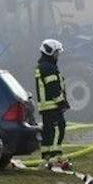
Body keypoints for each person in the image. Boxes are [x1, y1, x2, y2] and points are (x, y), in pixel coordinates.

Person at [34, 37, 71, 169]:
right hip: (52, 105)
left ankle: (46, 158)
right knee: (58, 128)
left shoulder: (43, 66)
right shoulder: (49, 68)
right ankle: (55, 157)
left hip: (46, 106)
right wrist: (62, 103)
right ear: (50, 52)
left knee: (48, 131)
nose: (57, 56)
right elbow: (53, 88)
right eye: (56, 53)